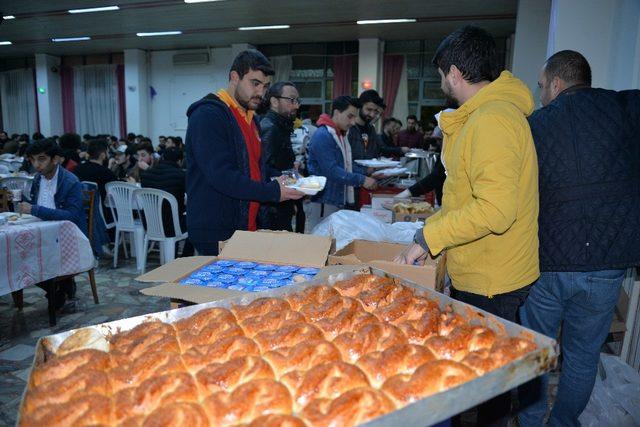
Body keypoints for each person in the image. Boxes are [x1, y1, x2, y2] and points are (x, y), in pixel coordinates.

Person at [394, 26, 539, 427]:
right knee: (477, 370)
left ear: (455, 73)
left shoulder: (493, 120)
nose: (441, 83)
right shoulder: (481, 116)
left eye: (441, 75)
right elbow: (463, 198)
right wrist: (429, 237)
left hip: (493, 277)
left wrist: (431, 235)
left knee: (486, 378)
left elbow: (495, 210)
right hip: (484, 266)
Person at [517, 51, 640, 427]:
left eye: (541, 86)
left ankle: (530, 419)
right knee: (583, 355)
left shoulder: (535, 125)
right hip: (606, 261)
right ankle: (562, 423)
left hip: (548, 261)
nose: (541, 94)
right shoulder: (625, 107)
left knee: (536, 351)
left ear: (556, 83)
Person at [185, 49, 304, 255]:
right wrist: (273, 192)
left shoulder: (251, 118)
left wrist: (283, 178)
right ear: (234, 77)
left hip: (245, 225)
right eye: (254, 83)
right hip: (216, 229)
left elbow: (254, 167)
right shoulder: (208, 115)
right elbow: (222, 176)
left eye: (265, 86)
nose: (261, 92)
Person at [17, 139, 87, 310]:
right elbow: (37, 205)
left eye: (41, 159)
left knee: (31, 256)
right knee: (18, 254)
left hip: (67, 235)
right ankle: (58, 288)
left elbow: (71, 216)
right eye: (32, 160)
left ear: (55, 159)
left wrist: (35, 209)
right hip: (43, 231)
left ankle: (59, 288)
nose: (36, 164)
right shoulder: (38, 179)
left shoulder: (70, 181)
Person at [306, 95, 377, 226]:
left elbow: (345, 164)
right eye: (350, 116)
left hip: (336, 199)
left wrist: (366, 171)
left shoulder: (340, 134)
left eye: (355, 117)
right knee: (322, 243)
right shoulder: (323, 135)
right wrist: (362, 179)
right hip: (324, 201)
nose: (353, 122)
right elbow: (331, 171)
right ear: (337, 113)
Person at [259, 81, 301, 232]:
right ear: (274, 101)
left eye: (297, 101)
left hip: (282, 202)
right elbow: (263, 171)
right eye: (291, 100)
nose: (296, 106)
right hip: (272, 209)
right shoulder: (270, 128)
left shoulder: (281, 126)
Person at [140, 147, 194, 257]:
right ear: (179, 161)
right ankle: (184, 257)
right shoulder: (181, 175)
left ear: (163, 157)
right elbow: (191, 196)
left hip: (150, 224)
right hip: (172, 226)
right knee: (194, 223)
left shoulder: (146, 175)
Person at [347, 89, 390, 160]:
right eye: (369, 110)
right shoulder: (349, 129)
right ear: (360, 107)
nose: (372, 115)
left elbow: (376, 152)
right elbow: (345, 161)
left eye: (375, 111)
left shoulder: (371, 129)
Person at [73, 139, 117, 205]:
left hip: (79, 208)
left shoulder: (77, 168)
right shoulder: (105, 172)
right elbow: (117, 189)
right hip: (101, 211)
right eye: (107, 152)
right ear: (102, 155)